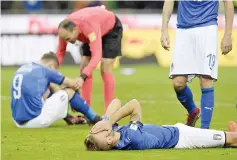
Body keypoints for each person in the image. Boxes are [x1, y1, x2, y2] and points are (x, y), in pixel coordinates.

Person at [160, 0, 234, 128]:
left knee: (206, 80)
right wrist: (164, 31)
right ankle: (193, 112)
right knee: (178, 83)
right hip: (184, 29)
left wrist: (228, 34)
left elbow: (228, 3)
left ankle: (204, 131)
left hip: (207, 29)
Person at [84, 99, 237, 151]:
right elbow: (134, 104)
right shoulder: (131, 137)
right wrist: (109, 122)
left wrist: (105, 119)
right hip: (183, 138)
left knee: (225, 138)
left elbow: (115, 101)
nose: (98, 129)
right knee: (232, 138)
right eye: (97, 132)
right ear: (108, 140)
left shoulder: (115, 132)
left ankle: (226, 139)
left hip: (172, 129)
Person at [56, 6, 123, 112]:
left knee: (105, 66)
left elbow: (97, 56)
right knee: (84, 66)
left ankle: (109, 112)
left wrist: (82, 77)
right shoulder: (64, 30)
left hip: (111, 29)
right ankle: (86, 111)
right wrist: (51, 71)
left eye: (68, 39)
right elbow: (60, 52)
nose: (67, 41)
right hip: (92, 28)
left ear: (75, 30)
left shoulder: (88, 26)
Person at [11, 52, 101, 128]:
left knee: (50, 89)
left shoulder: (25, 67)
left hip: (17, 122)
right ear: (50, 65)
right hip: (35, 121)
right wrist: (75, 94)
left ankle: (69, 117)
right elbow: (73, 84)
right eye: (55, 69)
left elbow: (53, 90)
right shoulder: (45, 70)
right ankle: (94, 118)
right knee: (70, 92)